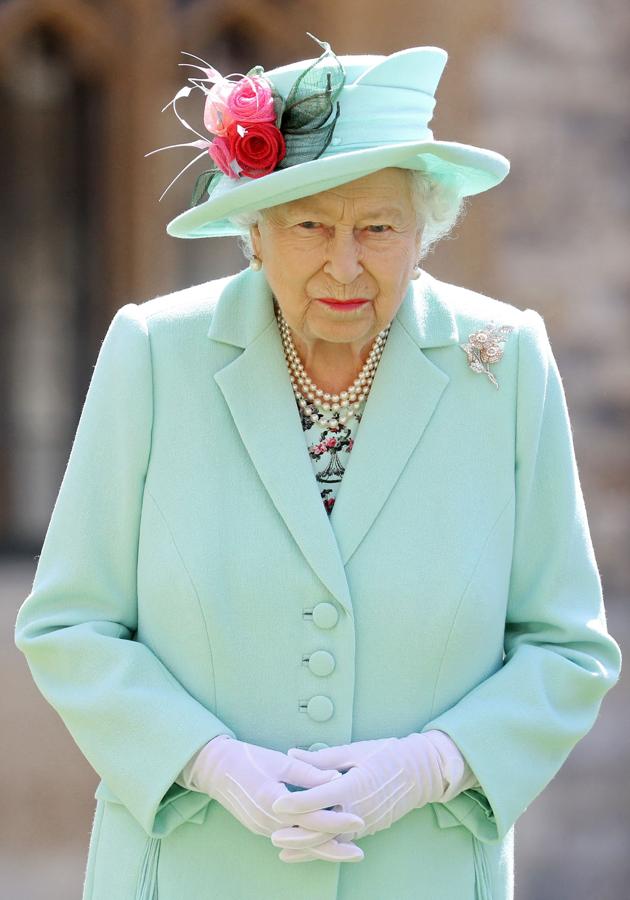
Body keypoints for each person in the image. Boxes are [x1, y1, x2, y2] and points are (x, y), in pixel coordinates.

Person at [14, 34, 622, 900]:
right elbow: (69, 624)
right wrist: (209, 763)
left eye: (378, 227)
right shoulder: (155, 354)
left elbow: (566, 648)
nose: (345, 263)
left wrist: (432, 767)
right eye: (309, 224)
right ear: (254, 232)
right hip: (191, 872)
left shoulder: (505, 360)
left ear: (425, 231)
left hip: (424, 875)